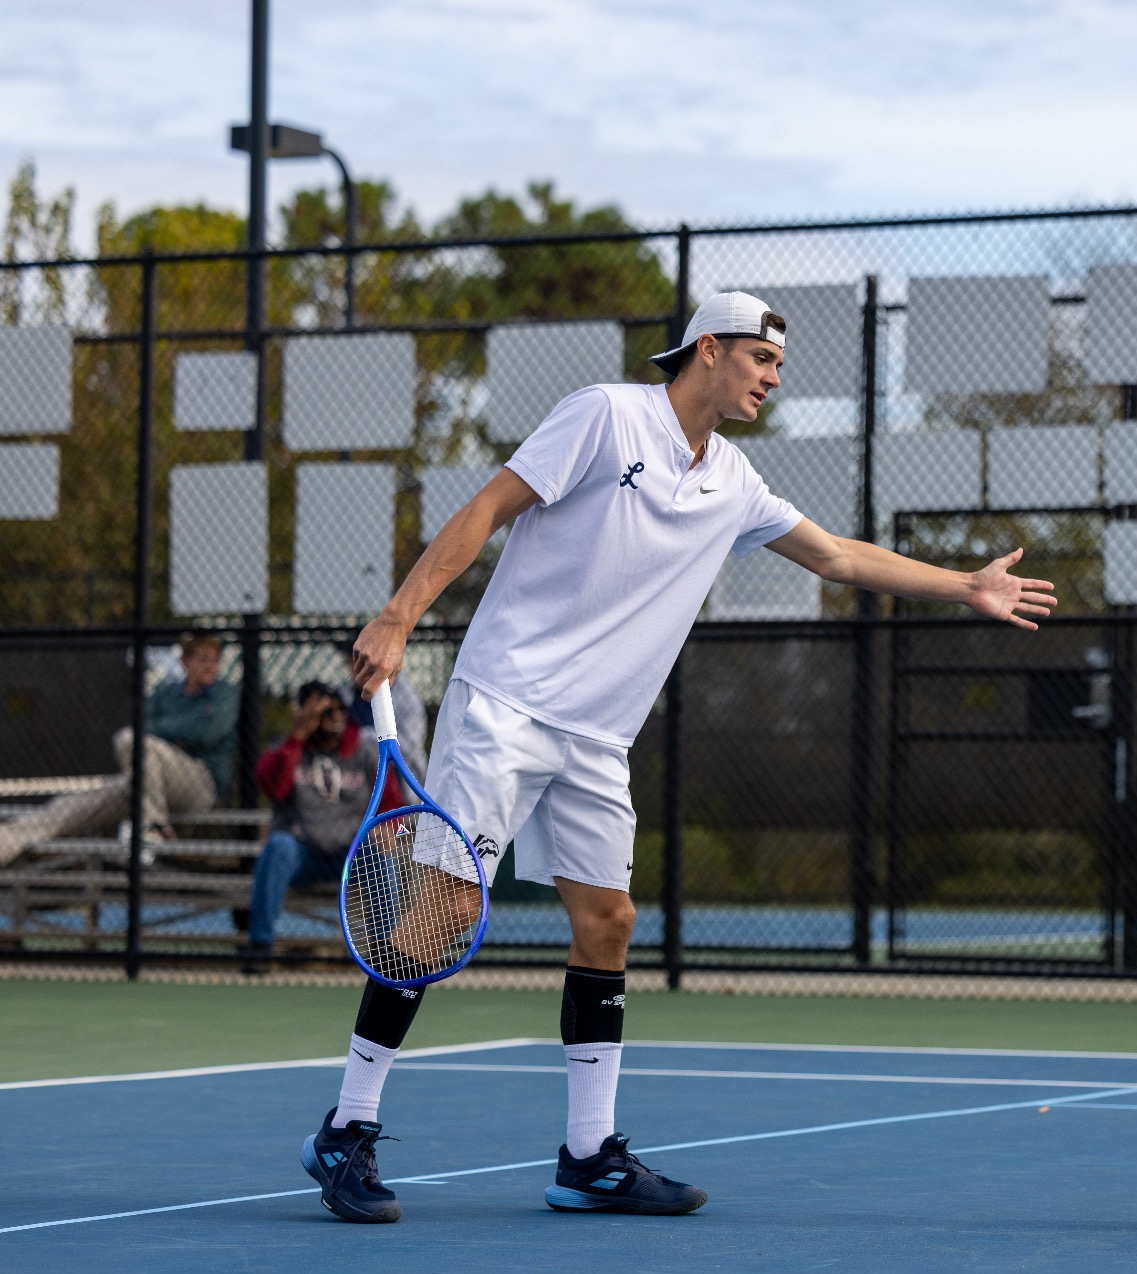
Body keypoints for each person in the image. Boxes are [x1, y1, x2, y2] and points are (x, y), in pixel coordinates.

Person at [303, 291, 1058, 1225]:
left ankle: (588, 1157)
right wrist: (399, 611)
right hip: (504, 702)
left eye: (778, 367)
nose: (773, 380)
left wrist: (967, 584)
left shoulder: (734, 480)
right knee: (437, 914)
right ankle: (348, 1126)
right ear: (710, 349)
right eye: (762, 361)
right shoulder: (604, 414)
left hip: (596, 737)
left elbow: (838, 559)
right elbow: (490, 506)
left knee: (609, 922)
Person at [0, 631, 238, 866]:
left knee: (130, 741)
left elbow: (206, 732)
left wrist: (166, 734)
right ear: (186, 661)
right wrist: (176, 733)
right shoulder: (166, 693)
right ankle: (8, 840)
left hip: (199, 783)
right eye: (203, 659)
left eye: (214, 659)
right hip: (150, 783)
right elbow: (146, 726)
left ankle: (153, 826)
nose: (210, 665)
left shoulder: (225, 694)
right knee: (81, 803)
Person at [241, 683, 398, 974]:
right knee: (278, 847)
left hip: (350, 855)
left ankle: (386, 953)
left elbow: (391, 802)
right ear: (303, 715)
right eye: (325, 712)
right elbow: (274, 789)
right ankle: (260, 946)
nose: (336, 717)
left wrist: (387, 827)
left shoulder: (364, 753)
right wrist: (298, 737)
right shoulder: (285, 750)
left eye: (340, 710)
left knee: (378, 852)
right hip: (304, 854)